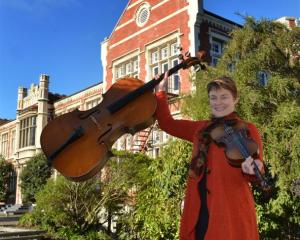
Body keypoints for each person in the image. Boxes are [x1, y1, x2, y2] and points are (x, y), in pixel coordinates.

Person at [154, 74, 264, 240]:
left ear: (235, 99)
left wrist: (253, 169)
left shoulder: (247, 129)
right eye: (213, 97)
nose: (218, 102)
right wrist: (160, 91)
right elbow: (167, 123)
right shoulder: (200, 129)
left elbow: (257, 171)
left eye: (224, 97)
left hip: (229, 212)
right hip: (199, 210)